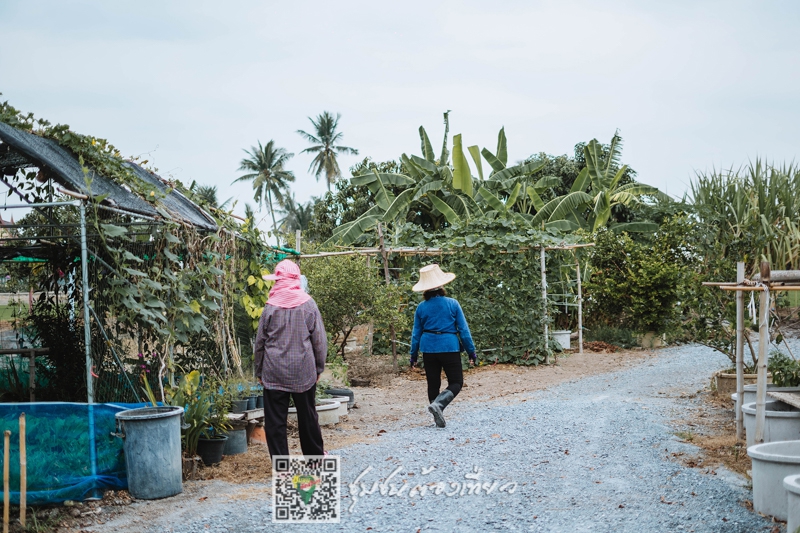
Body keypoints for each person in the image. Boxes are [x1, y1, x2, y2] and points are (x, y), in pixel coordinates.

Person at [254, 259, 327, 458]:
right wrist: (319, 368)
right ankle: (314, 458)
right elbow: (319, 341)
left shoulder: (269, 307)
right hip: (302, 371)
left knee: (275, 421)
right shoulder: (308, 305)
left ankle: (282, 466)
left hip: (274, 371)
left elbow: (260, 342)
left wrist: (258, 371)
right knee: (308, 416)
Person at [409, 264, 477, 428]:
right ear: (442, 286)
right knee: (456, 382)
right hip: (449, 347)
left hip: (428, 348)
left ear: (425, 289)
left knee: (433, 383)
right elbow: (464, 331)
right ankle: (439, 406)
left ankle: (436, 408)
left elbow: (416, 334)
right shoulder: (452, 304)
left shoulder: (421, 308)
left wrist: (413, 355)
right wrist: (471, 351)